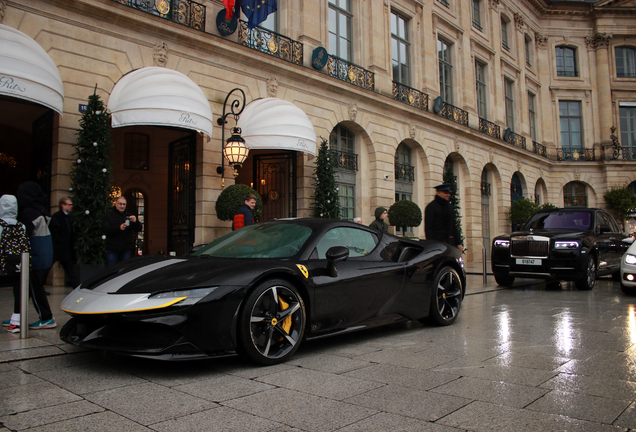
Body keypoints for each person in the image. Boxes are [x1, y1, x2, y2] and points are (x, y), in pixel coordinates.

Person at [16, 181, 58, 329]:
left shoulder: (28, 213)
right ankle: (17, 317)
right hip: (46, 253)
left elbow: (23, 235)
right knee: (32, 286)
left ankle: (46, 317)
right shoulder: (43, 210)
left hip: (35, 254)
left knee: (34, 287)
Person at [0, 194, 30, 333]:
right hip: (18, 264)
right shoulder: (21, 225)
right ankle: (16, 320)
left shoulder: (0, 225)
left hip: (2, 263)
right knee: (18, 290)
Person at [102, 196, 142, 267]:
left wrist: (136, 221)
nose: (122, 206)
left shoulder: (129, 216)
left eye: (124, 204)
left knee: (124, 269)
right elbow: (105, 229)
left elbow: (139, 229)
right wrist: (119, 228)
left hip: (125, 248)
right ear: (116, 204)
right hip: (112, 248)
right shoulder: (108, 215)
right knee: (111, 270)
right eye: (120, 204)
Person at [425, 183, 464, 252]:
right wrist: (431, 244)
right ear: (438, 193)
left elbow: (453, 225)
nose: (448, 195)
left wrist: (458, 242)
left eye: (448, 192)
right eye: (445, 192)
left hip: (450, 243)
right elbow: (428, 228)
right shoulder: (431, 207)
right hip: (437, 243)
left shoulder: (449, 206)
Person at [51, 197, 79, 288]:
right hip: (58, 248)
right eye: (69, 204)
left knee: (69, 268)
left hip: (66, 248)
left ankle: (75, 286)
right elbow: (54, 232)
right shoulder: (57, 216)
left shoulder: (68, 217)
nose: (71, 206)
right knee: (48, 266)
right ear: (63, 205)